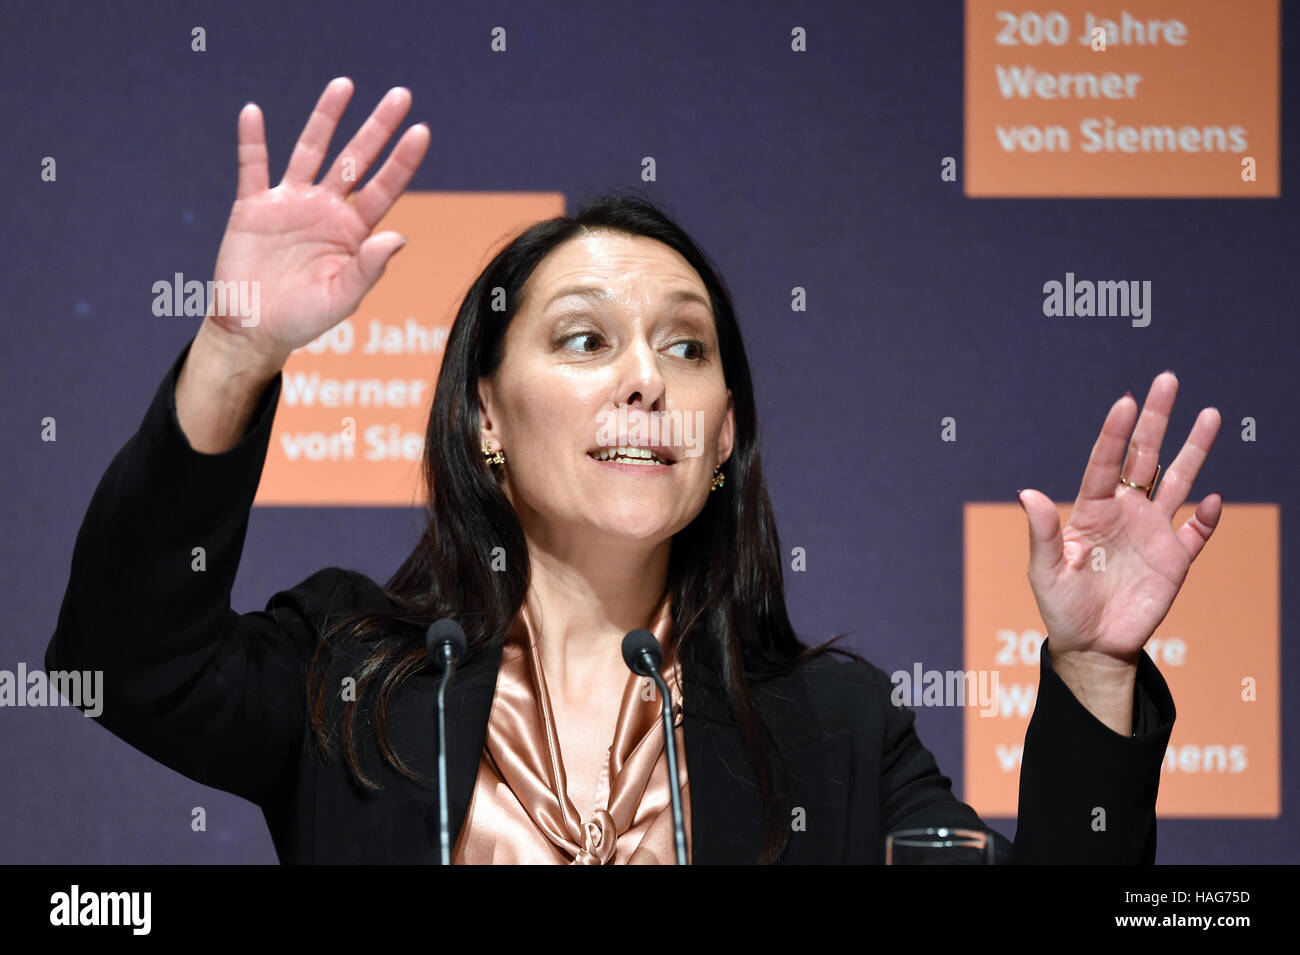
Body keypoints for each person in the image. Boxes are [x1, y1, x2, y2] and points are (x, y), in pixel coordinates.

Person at [46, 77, 1224, 864]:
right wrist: (235, 353)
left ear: (722, 438)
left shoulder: (830, 728)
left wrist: (1090, 668)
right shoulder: (353, 673)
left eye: (686, 346)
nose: (645, 380)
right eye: (582, 338)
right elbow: (119, 665)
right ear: (485, 423)